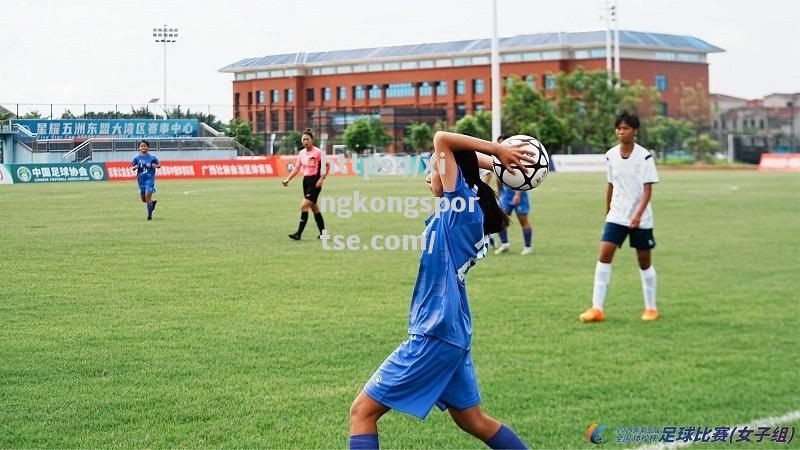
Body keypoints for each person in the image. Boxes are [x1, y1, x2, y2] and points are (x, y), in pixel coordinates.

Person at [348, 131, 531, 450]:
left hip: (435, 334)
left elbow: (442, 138)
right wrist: (498, 160)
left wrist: (496, 149)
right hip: (453, 334)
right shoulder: (470, 206)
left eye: (434, 168)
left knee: (362, 412)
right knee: (473, 421)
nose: (428, 176)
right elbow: (460, 158)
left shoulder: (458, 206)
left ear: (453, 175)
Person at [579, 111, 660, 323]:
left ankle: (651, 308)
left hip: (640, 218)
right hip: (617, 215)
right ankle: (597, 309)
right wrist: (608, 211)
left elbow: (647, 190)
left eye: (625, 128)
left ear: (635, 131)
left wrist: (637, 215)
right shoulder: (611, 155)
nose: (621, 132)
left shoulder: (644, 157)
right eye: (618, 128)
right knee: (604, 255)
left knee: (644, 261)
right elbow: (611, 184)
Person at [282, 128, 329, 240]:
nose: (305, 141)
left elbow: (326, 165)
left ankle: (298, 234)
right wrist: (288, 179)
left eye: (307, 139)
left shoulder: (318, 152)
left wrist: (321, 179)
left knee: (304, 206)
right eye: (303, 139)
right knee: (314, 208)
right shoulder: (302, 153)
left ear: (312, 140)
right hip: (306, 182)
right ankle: (324, 234)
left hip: (315, 181)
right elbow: (297, 168)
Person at [493, 135, 533, 256]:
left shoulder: (517, 157)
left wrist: (518, 194)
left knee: (523, 220)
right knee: (500, 219)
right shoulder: (498, 158)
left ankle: (528, 247)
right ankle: (505, 244)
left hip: (519, 194)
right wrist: (500, 193)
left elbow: (523, 177)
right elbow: (498, 178)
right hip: (506, 195)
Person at [131, 140, 161, 221]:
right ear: (139, 148)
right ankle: (152, 204)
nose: (143, 147)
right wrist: (135, 167)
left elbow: (159, 165)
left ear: (147, 147)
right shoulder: (137, 158)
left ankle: (149, 216)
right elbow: (133, 166)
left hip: (149, 180)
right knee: (144, 199)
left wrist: (156, 166)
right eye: (141, 146)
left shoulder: (152, 158)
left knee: (148, 196)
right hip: (141, 180)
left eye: (144, 146)